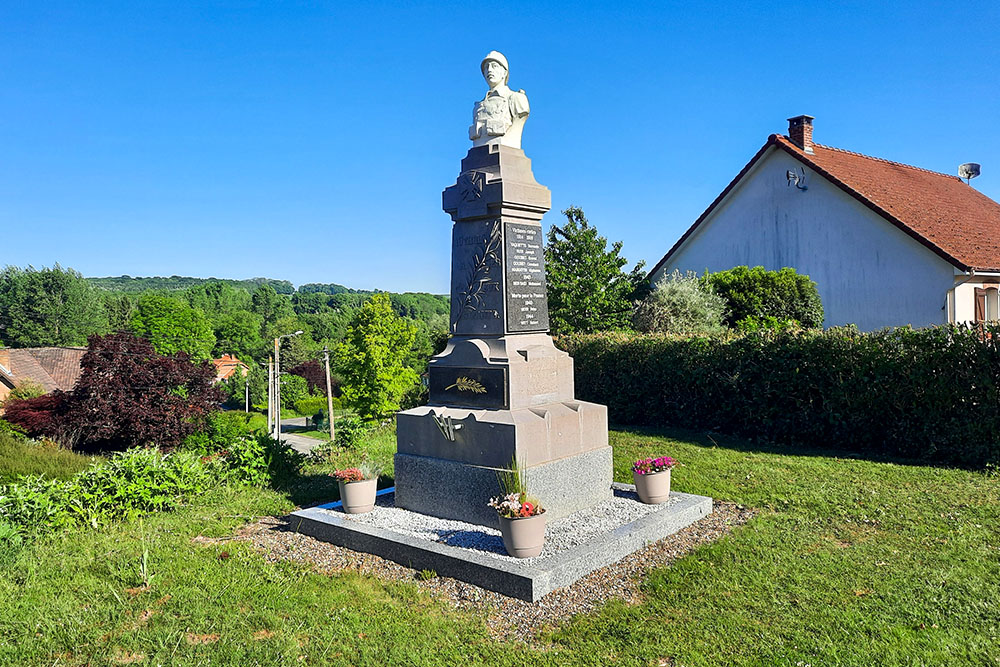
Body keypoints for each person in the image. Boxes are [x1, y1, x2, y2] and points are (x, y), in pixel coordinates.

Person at [469, 51, 530, 149]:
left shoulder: (516, 98)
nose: (489, 70)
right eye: (486, 67)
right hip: (479, 154)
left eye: (494, 66)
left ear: (505, 72)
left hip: (507, 150)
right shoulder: (478, 106)